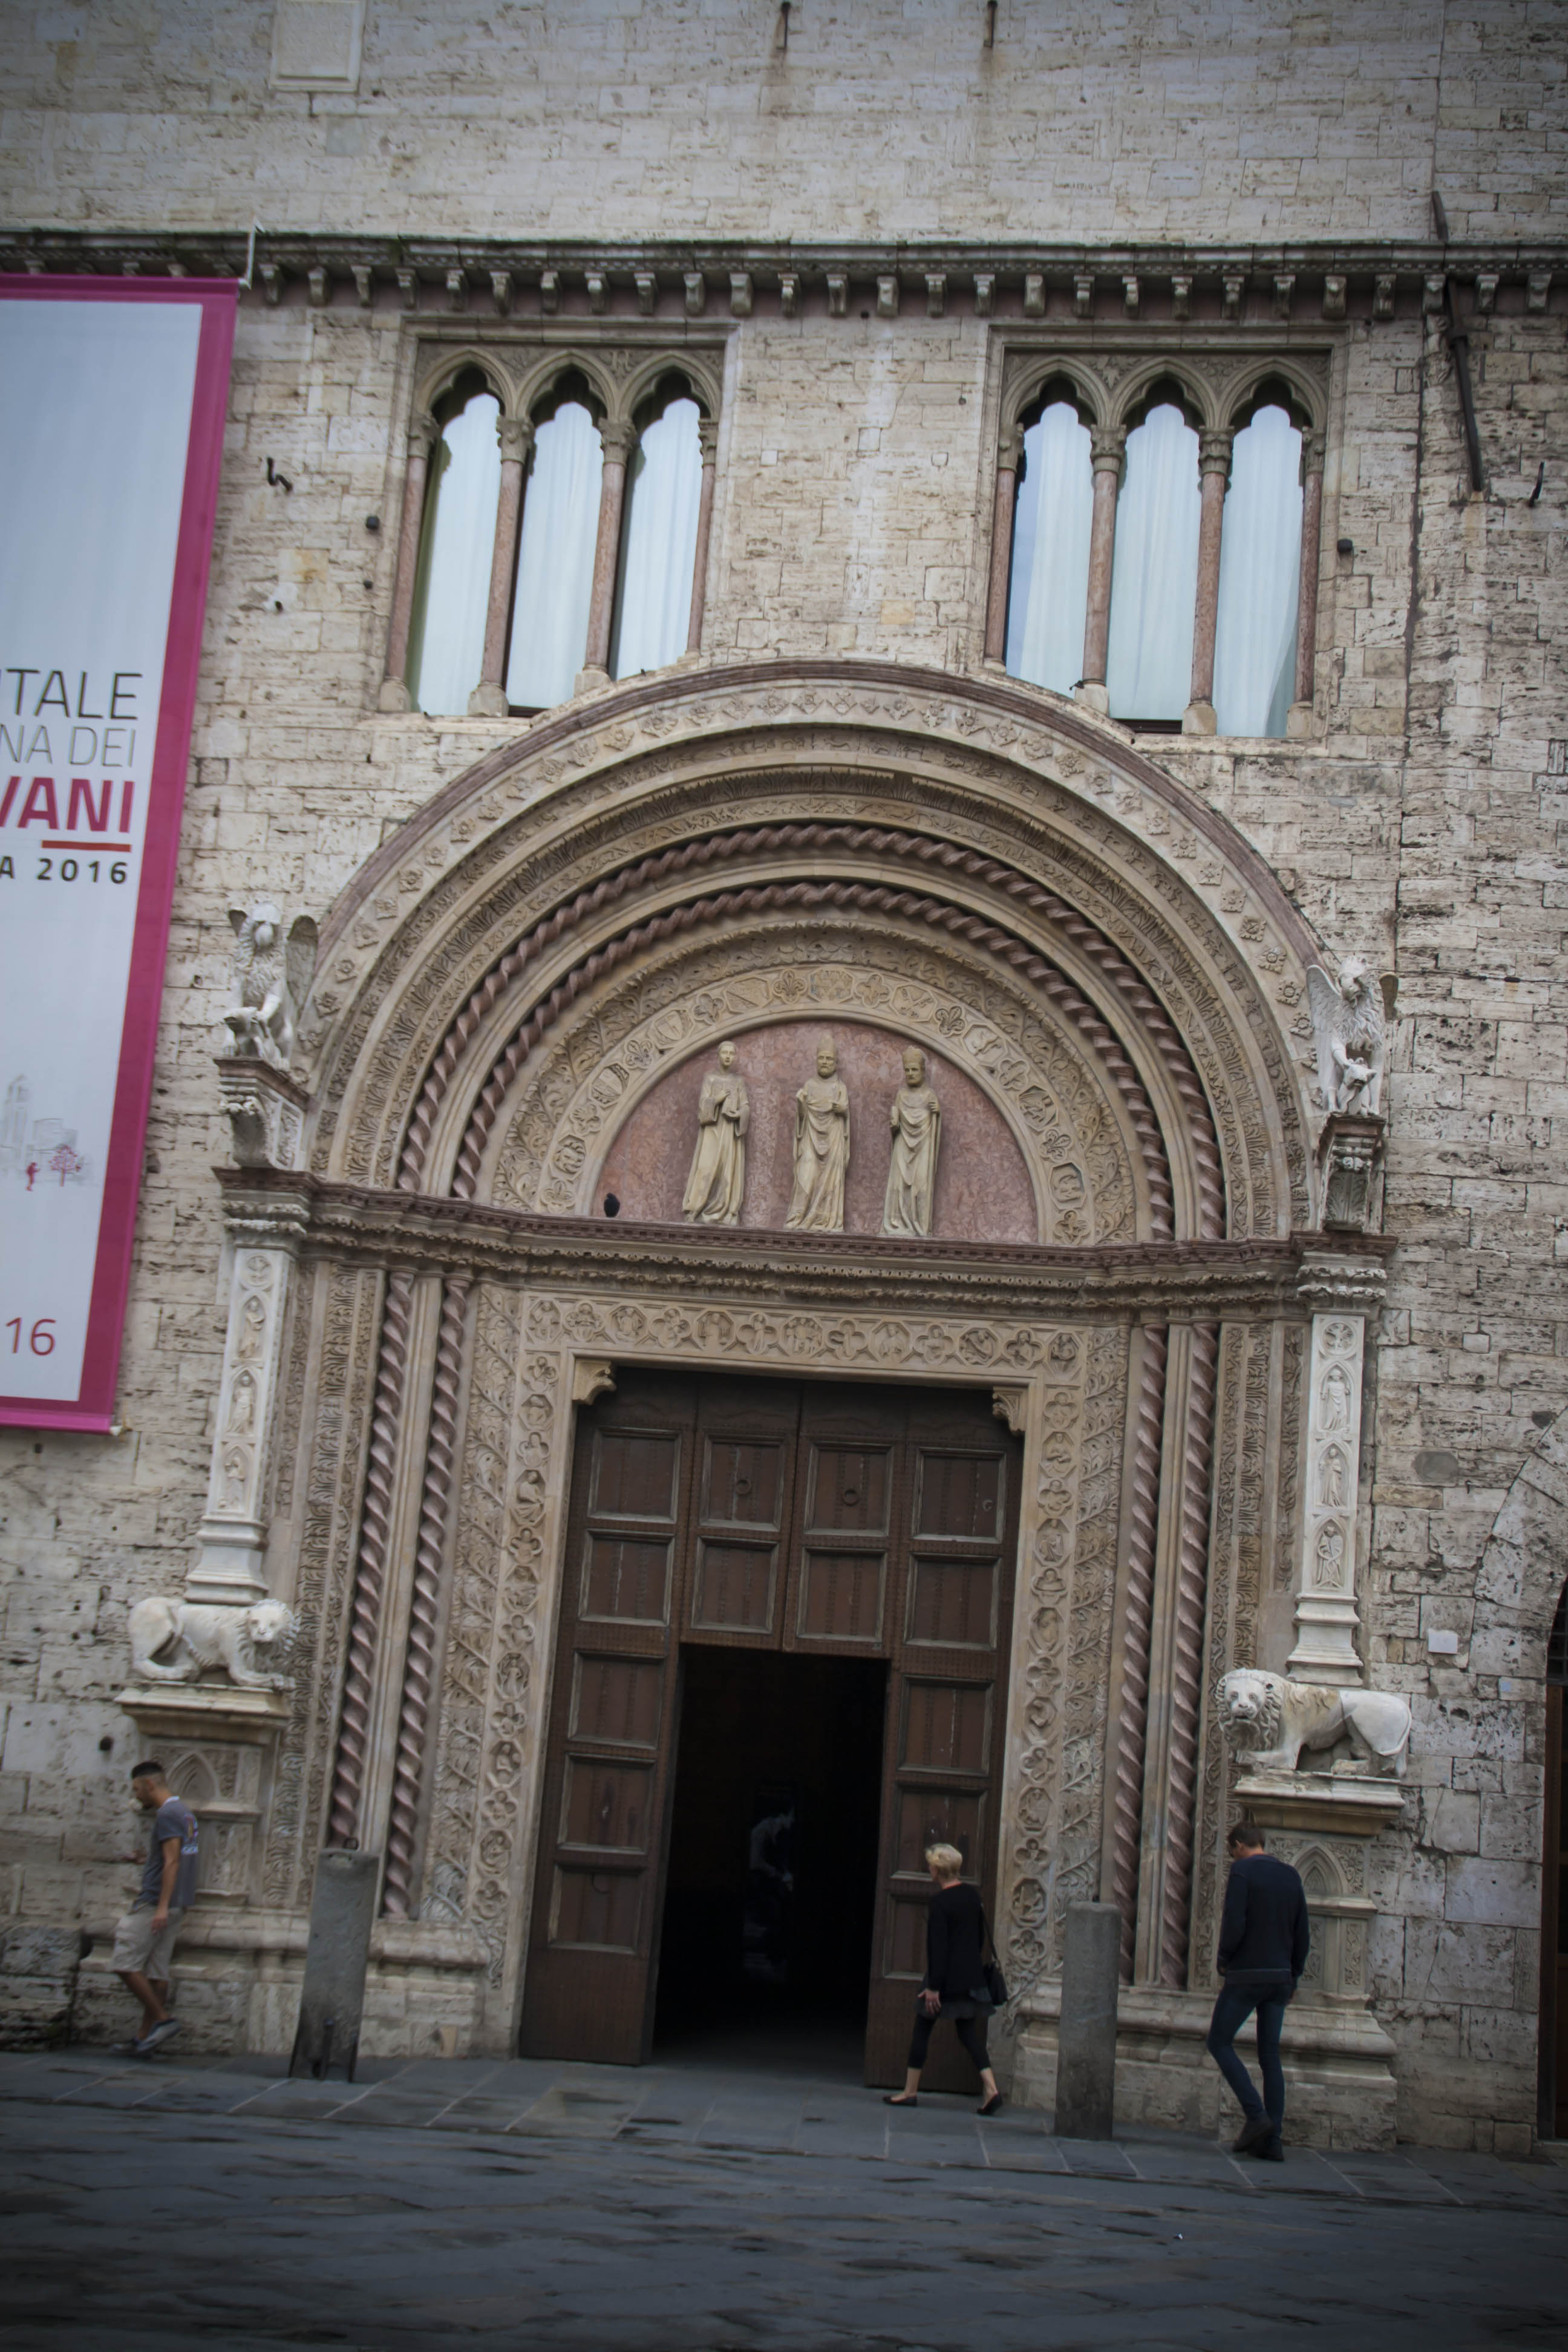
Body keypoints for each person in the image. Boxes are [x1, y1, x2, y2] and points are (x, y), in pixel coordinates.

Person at [1206, 1818, 1308, 2160]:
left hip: (1247, 1975)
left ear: (1238, 1846)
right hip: (1280, 1978)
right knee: (1270, 2056)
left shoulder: (1243, 1872)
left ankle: (1256, 2115)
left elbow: (1235, 1923)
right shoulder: (1291, 1876)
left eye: (1232, 1852)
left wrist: (1224, 1958)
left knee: (1219, 2041)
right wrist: (1293, 1975)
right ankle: (1273, 2141)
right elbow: (1302, 1933)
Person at [883, 1843, 1004, 2116]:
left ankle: (910, 2092)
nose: (929, 1869)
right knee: (967, 2033)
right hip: (971, 1979)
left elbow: (938, 1949)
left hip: (945, 1979)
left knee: (922, 2029)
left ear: (937, 1869)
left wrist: (933, 1988)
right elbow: (979, 1939)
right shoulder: (972, 1896)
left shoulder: (940, 1902)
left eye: (930, 1865)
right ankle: (991, 2087)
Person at [111, 1760, 199, 2057]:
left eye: (137, 1788)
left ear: (151, 1784)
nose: (136, 1795)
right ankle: (144, 2037)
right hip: (179, 1902)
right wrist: (144, 1860)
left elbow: (173, 1861)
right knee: (157, 1971)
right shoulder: (185, 1813)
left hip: (155, 1903)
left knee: (125, 1963)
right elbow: (171, 1858)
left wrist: (160, 1906)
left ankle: (163, 2020)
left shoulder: (168, 1814)